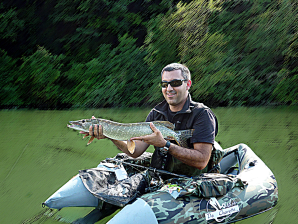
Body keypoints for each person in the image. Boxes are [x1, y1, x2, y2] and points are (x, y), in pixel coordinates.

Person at [81, 63, 218, 176]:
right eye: (164, 84)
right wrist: (109, 134)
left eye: (175, 83)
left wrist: (165, 144)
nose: (169, 88)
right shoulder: (156, 113)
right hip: (158, 175)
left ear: (188, 84)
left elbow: (201, 161)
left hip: (189, 181)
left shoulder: (202, 114)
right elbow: (135, 152)